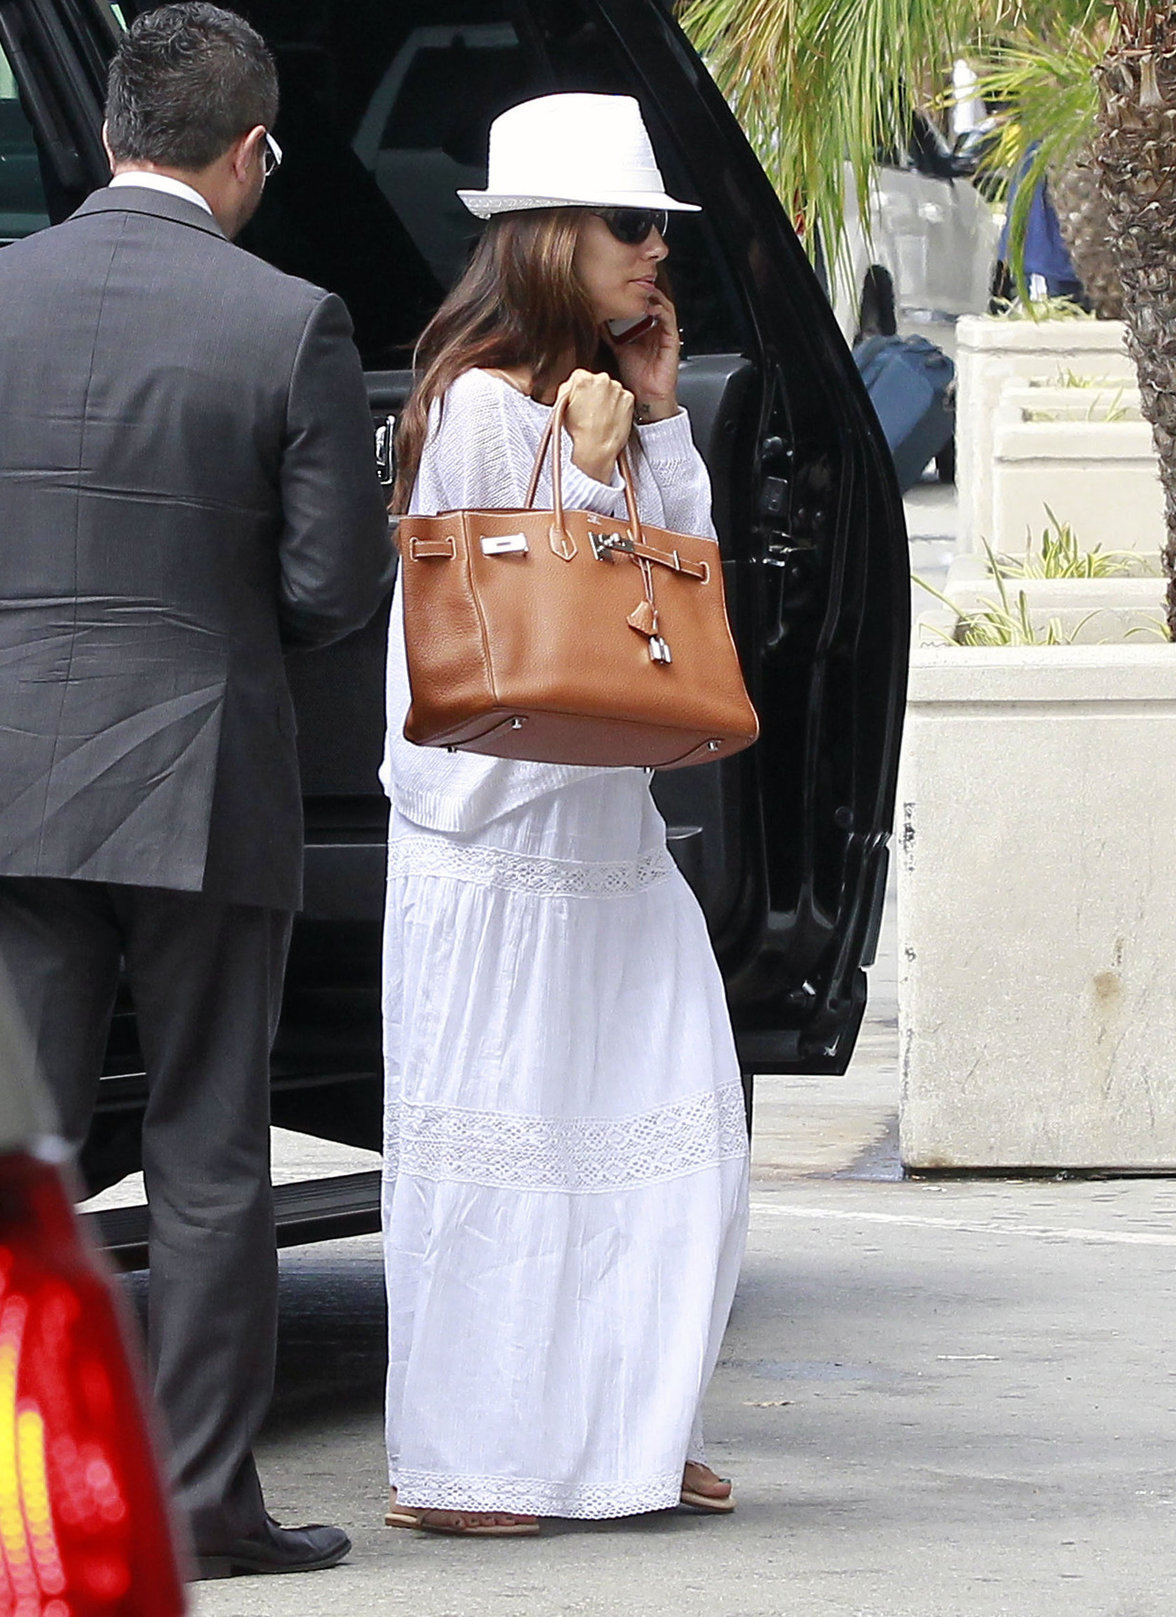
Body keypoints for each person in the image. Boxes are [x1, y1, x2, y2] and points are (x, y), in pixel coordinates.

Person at [0, 2, 393, 1580]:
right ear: (250, 153)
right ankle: (197, 1505)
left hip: (14, 786)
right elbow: (324, 590)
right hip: (200, 787)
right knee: (214, 1152)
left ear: (107, 136)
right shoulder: (288, 320)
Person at [381, 92, 750, 1536]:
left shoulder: (602, 399)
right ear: (546, 239)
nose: (657, 250)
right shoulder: (473, 402)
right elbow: (514, 613)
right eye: (629, 225)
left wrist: (654, 421)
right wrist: (589, 463)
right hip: (499, 838)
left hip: (604, 826)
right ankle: (470, 1462)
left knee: (679, 1130)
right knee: (508, 1145)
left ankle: (635, 1428)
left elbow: (686, 582)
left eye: (659, 226)